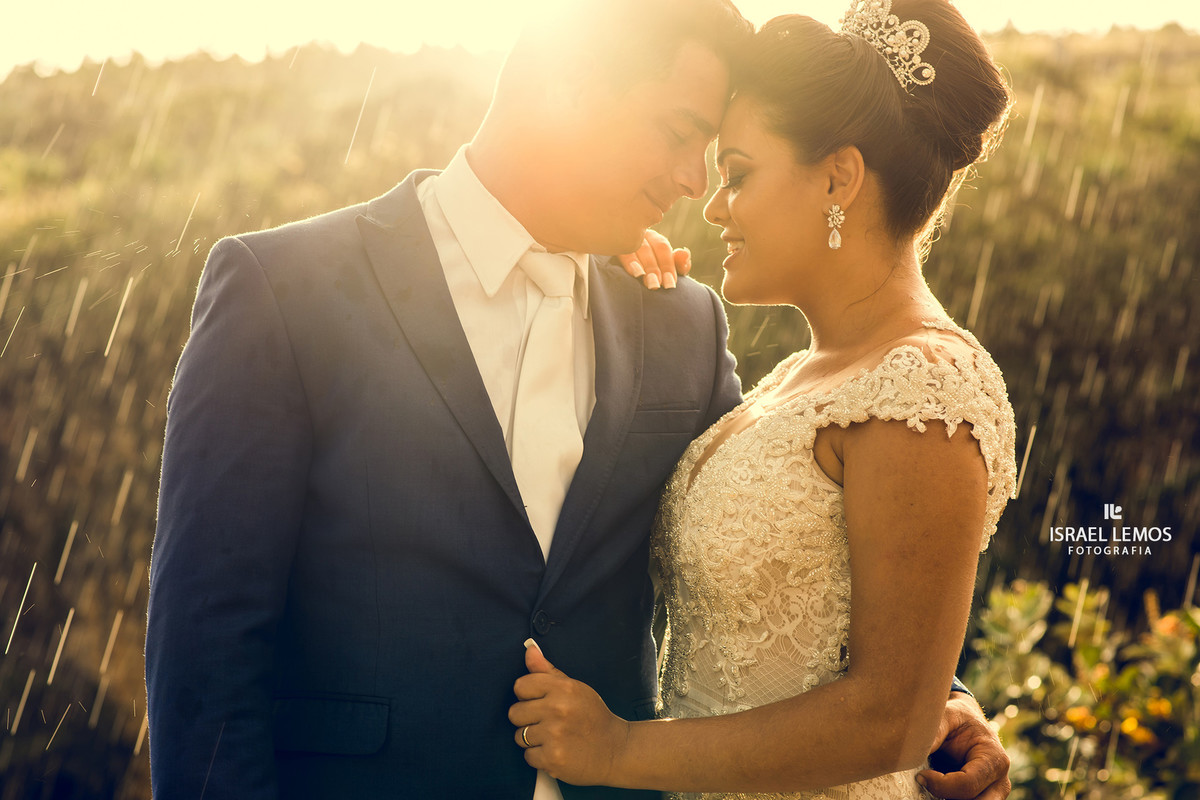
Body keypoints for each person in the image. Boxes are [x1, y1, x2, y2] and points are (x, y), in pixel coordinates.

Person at [145, 0, 1009, 798]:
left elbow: (795, 542)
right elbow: (207, 656)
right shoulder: (284, 290)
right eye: (679, 134)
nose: (687, 180)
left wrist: (934, 702)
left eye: (715, 157)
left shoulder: (681, 325)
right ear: (563, 84)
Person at [509, 1, 1018, 799]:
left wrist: (618, 753)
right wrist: (617, 269)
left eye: (738, 174)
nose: (711, 207)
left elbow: (890, 719)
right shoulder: (796, 380)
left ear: (838, 176)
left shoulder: (927, 385)